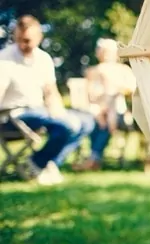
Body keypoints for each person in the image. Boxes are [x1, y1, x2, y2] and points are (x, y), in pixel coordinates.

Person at [0, 14, 95, 185]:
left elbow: (51, 91)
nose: (22, 44)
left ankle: (46, 163)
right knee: (66, 126)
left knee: (85, 121)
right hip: (13, 115)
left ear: (39, 38)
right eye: (19, 39)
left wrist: (57, 109)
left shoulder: (43, 59)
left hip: (39, 110)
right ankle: (38, 164)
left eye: (27, 40)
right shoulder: (4, 59)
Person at [72, 38, 137, 171]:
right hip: (95, 110)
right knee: (96, 120)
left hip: (118, 112)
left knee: (106, 118)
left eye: (109, 52)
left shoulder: (124, 70)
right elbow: (89, 95)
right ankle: (94, 158)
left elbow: (133, 89)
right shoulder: (92, 71)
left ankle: (94, 159)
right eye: (103, 51)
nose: (106, 54)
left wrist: (114, 87)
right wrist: (99, 109)